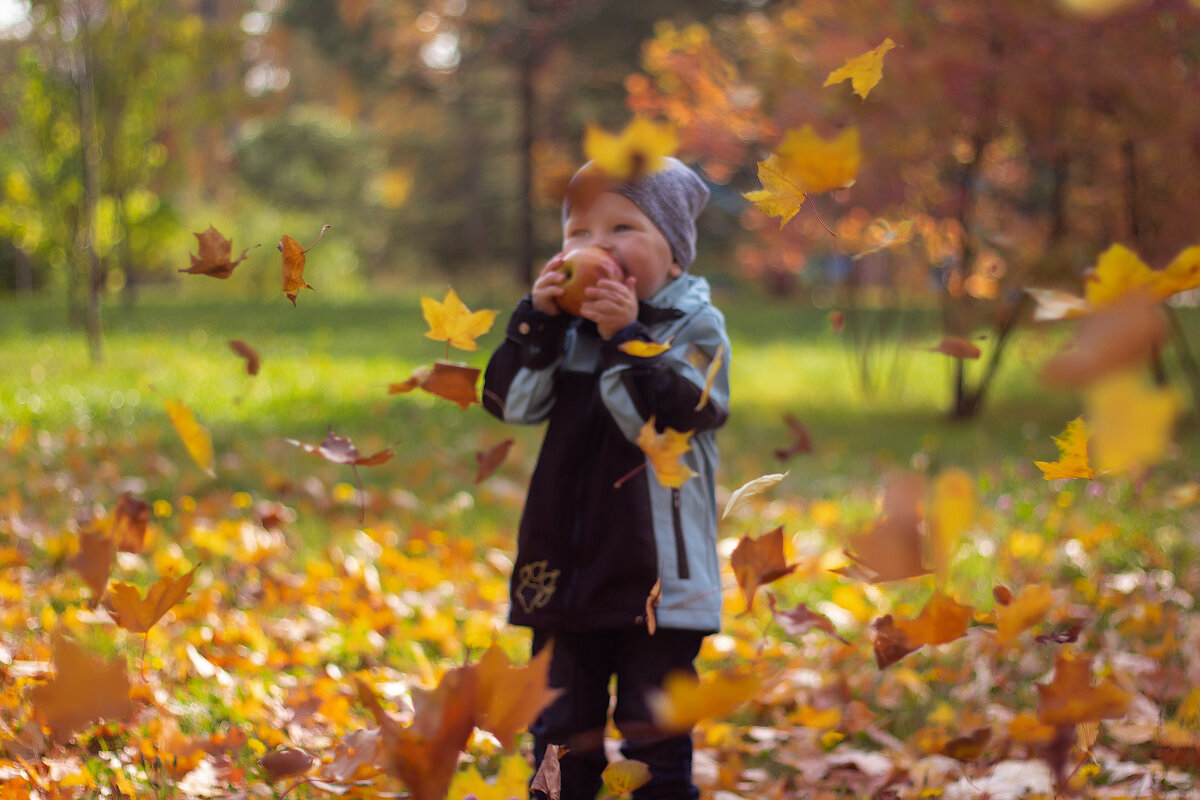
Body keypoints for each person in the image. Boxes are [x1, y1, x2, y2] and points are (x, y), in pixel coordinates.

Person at [482, 157, 731, 800]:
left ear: (674, 255)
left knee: (654, 733)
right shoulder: (563, 330)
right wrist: (536, 326)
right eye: (578, 233)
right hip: (562, 573)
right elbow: (511, 405)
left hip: (656, 587)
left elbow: (686, 410)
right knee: (559, 729)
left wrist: (627, 338)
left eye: (622, 228)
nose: (595, 249)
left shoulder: (695, 326)